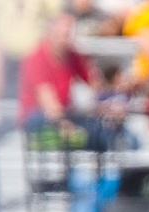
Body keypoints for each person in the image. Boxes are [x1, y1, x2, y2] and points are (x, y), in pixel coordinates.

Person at [18, 12, 105, 147]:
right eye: (62, 34)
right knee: (88, 137)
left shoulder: (72, 55)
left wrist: (109, 102)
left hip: (62, 114)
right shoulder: (36, 58)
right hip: (39, 119)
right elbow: (48, 103)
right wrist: (67, 127)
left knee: (101, 133)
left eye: (69, 34)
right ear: (51, 33)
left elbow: (95, 84)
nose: (65, 39)